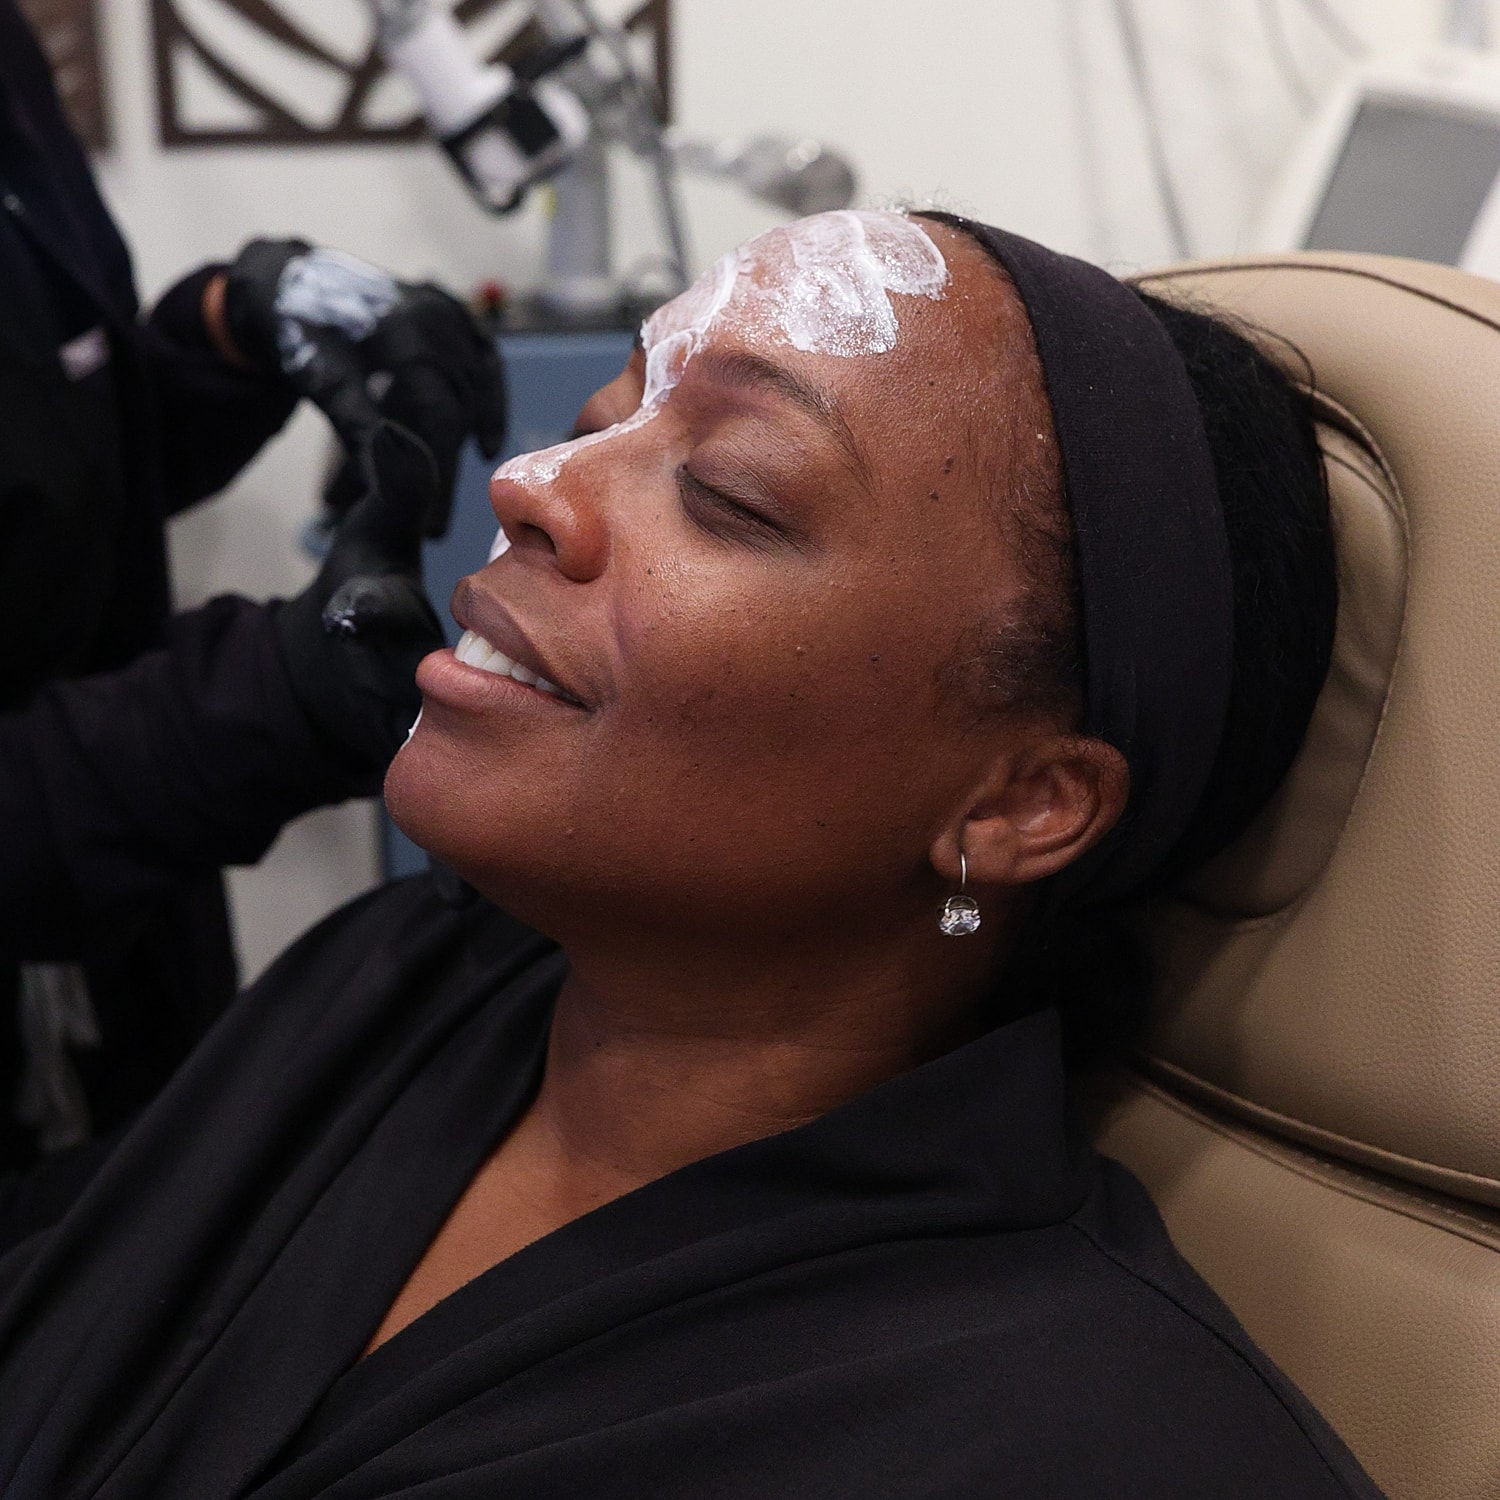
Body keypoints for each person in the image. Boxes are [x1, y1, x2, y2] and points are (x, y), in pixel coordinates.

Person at [0, 209, 1385, 1498]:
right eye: (606, 418)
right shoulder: (389, 984)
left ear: (1019, 805)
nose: (531, 480)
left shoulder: (1103, 1443)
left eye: (729, 491)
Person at [0, 1, 506, 1165]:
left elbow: (51, 477)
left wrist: (233, 327)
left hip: (130, 972)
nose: (540, 491)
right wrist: (262, 703)